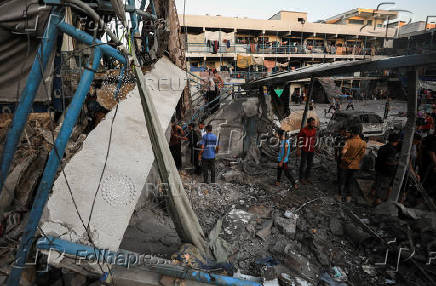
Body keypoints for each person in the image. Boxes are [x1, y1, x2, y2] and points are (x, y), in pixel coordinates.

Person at [337, 126, 366, 203]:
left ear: (352, 132)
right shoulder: (363, 143)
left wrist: (343, 158)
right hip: (355, 165)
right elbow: (362, 155)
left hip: (345, 164)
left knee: (342, 180)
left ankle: (340, 196)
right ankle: (348, 197)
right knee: (350, 181)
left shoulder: (349, 142)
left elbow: (343, 152)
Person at [374, 133, 401, 204]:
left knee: (378, 184)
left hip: (379, 169)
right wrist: (398, 162)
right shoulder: (392, 150)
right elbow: (389, 162)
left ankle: (377, 198)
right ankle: (378, 201)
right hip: (386, 171)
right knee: (383, 186)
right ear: (397, 141)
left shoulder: (382, 147)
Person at [297, 117, 317, 184]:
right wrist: (298, 149)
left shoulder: (314, 130)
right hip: (304, 150)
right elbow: (299, 140)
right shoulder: (303, 130)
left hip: (311, 150)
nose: (314, 124)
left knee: (310, 164)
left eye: (314, 123)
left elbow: (314, 139)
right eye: (312, 123)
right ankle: (301, 178)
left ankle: (307, 177)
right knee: (303, 164)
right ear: (308, 123)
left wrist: (315, 146)